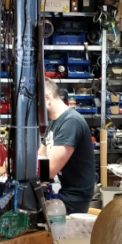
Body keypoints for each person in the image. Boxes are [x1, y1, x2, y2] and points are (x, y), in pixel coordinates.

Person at [38, 77, 95, 214]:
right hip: (59, 192)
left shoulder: (71, 122)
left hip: (71, 200)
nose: (35, 109)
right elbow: (41, 157)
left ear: (47, 98)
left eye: (36, 104)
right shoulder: (53, 122)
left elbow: (48, 171)